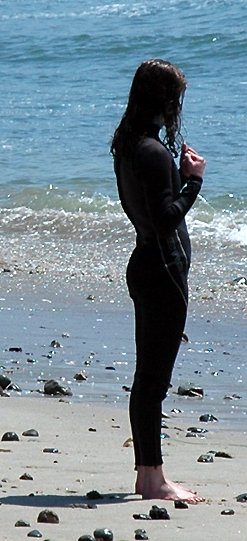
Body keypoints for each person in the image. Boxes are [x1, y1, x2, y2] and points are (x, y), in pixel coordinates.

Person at [110, 59, 206, 502]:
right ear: (163, 99)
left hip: (146, 265)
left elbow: (148, 215)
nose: (177, 108)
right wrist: (193, 183)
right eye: (175, 99)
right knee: (154, 382)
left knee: (146, 379)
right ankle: (155, 480)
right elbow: (167, 219)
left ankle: (148, 476)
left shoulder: (129, 145)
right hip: (162, 272)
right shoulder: (152, 152)